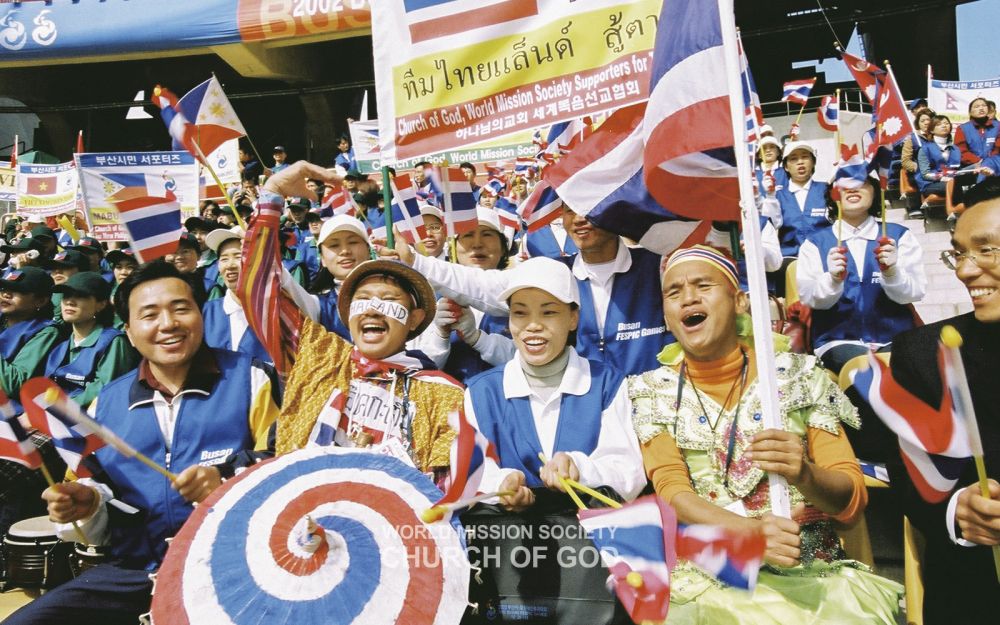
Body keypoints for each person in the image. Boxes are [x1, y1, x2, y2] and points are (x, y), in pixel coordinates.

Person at [629, 245, 902, 624]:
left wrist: (804, 474)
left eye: (702, 285)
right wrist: (750, 534)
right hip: (711, 578)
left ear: (740, 300)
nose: (688, 297)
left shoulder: (800, 376)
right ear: (666, 314)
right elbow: (673, 492)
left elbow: (851, 497)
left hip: (814, 576)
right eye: (674, 292)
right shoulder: (651, 391)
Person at [3, 260, 279, 625]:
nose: (168, 324)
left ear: (201, 314)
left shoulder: (252, 379)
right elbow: (95, 484)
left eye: (181, 308)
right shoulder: (108, 403)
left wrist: (226, 481)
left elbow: (284, 465)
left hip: (235, 568)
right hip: (135, 570)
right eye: (149, 315)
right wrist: (85, 503)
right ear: (129, 332)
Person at [264, 162, 462, 475]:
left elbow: (445, 492)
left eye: (389, 300)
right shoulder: (315, 360)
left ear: (415, 318)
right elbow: (261, 288)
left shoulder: (444, 394)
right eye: (362, 300)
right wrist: (270, 197)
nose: (372, 309)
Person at [888, 178, 1000, 623]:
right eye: (959, 252)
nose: (965, 271)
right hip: (976, 591)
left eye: (986, 250)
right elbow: (911, 480)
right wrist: (960, 510)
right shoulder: (924, 354)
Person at [394, 204, 671, 376]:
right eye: (568, 209)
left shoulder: (660, 267)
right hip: (583, 413)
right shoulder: (555, 272)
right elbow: (483, 285)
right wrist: (415, 261)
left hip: (654, 422)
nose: (579, 219)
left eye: (589, 206)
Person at [464, 257, 645, 508]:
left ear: (573, 318)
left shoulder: (607, 384)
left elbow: (628, 472)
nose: (533, 326)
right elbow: (472, 471)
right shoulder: (481, 392)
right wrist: (501, 484)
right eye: (520, 313)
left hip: (593, 539)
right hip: (511, 541)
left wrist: (580, 468)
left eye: (548, 312)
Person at [796, 176, 926, 374]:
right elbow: (811, 300)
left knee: (905, 369)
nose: (852, 189)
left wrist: (892, 273)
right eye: (844, 185)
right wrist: (832, 280)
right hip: (838, 340)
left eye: (861, 183)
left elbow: (914, 293)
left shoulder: (899, 236)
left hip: (895, 337)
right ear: (832, 195)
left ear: (875, 192)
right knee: (867, 372)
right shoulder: (814, 243)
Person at [415, 208, 515, 384]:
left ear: (503, 246)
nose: (477, 244)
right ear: (454, 246)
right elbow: (423, 370)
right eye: (468, 235)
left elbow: (529, 361)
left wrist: (479, 339)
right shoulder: (431, 298)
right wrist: (441, 334)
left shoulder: (519, 293)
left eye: (487, 234)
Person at [46, 272, 139, 408]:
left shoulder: (113, 342)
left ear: (101, 304)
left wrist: (56, 409)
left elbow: (104, 391)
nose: (69, 301)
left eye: (80, 296)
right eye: (66, 296)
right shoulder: (61, 347)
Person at [201, 227, 271, 363]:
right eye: (224, 259)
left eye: (238, 257)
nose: (230, 265)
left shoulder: (276, 309)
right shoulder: (206, 313)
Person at [773, 141, 830, 258]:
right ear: (786, 167)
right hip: (791, 259)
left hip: (823, 257)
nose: (800, 162)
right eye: (793, 159)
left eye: (805, 157)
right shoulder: (777, 197)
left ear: (813, 162)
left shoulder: (827, 190)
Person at [900, 108, 936, 217]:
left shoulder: (939, 137)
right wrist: (918, 168)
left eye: (928, 120)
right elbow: (906, 160)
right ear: (918, 123)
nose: (926, 123)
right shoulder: (912, 138)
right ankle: (916, 207)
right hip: (918, 170)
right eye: (922, 120)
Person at [917, 115, 961, 197]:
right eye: (939, 124)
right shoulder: (925, 149)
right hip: (931, 184)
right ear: (932, 130)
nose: (944, 126)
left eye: (946, 123)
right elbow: (925, 174)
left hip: (952, 180)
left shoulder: (956, 149)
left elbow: (958, 170)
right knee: (954, 186)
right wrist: (941, 178)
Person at [954, 97, 1000, 166]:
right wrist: (978, 161)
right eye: (977, 106)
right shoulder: (962, 128)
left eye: (984, 105)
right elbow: (961, 151)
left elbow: (998, 148)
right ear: (970, 112)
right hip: (972, 168)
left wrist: (990, 162)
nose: (981, 108)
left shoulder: (998, 126)